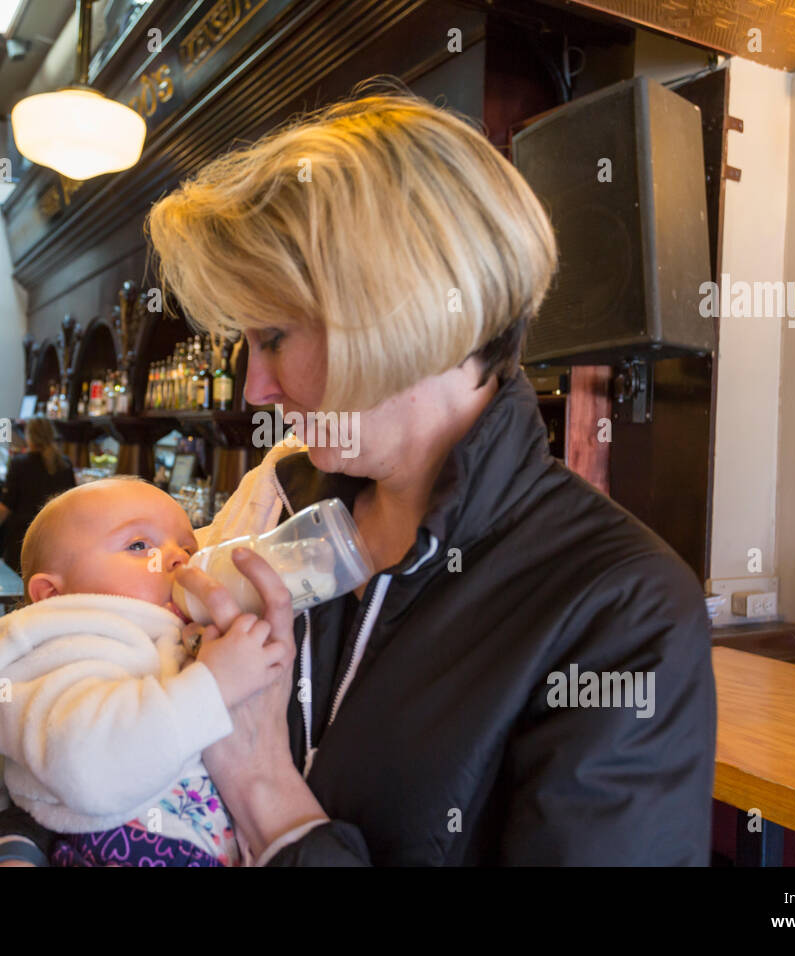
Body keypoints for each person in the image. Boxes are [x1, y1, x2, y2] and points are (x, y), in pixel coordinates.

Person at [141, 81, 718, 865]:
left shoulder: (621, 608)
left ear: (410, 310)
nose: (256, 389)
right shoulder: (280, 508)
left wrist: (263, 783)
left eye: (274, 336)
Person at [0, 478, 292, 867]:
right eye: (139, 545)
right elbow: (86, 769)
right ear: (53, 596)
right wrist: (214, 687)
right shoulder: (53, 658)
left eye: (189, 546)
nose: (179, 560)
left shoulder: (185, 645)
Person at [0, 416, 75, 573]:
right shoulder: (65, 463)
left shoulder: (20, 463)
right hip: (55, 534)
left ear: (29, 436)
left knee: (19, 580)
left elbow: (7, 502)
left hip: (23, 535)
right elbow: (71, 499)